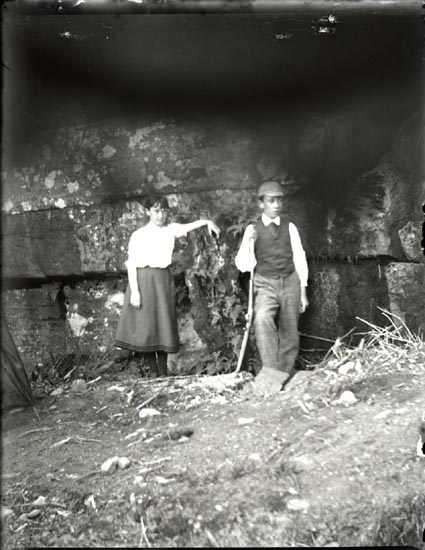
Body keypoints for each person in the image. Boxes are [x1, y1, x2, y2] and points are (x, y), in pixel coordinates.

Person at [115, 195, 220, 378]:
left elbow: (189, 226)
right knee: (146, 323)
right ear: (148, 212)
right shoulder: (139, 235)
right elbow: (132, 264)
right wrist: (135, 292)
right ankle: (153, 371)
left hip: (162, 280)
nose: (160, 215)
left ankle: (163, 373)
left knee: (162, 321)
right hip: (143, 280)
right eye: (156, 211)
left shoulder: (170, 230)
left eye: (163, 211)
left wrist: (207, 222)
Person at [235, 181, 309, 394]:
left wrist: (303, 291)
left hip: (290, 281)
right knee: (262, 319)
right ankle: (271, 371)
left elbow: (299, 257)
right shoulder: (253, 229)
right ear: (261, 204)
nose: (276, 205)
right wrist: (248, 243)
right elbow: (242, 265)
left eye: (279, 200)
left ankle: (285, 374)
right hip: (264, 283)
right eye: (271, 201)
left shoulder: (290, 227)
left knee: (290, 329)